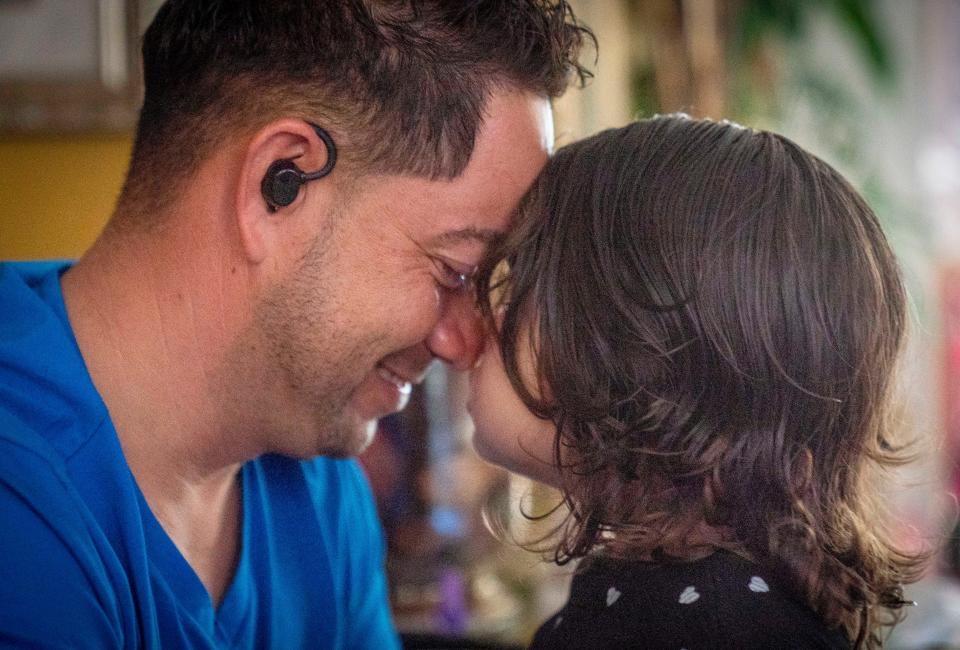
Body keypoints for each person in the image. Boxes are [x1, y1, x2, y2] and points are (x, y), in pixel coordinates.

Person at [0, 1, 591, 647]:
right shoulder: (19, 508)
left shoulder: (318, 480)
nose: (462, 344)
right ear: (278, 182)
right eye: (455, 270)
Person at [468, 115, 926, 649]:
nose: (481, 321)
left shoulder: (688, 628)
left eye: (518, 284)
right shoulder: (706, 602)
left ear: (630, 356)